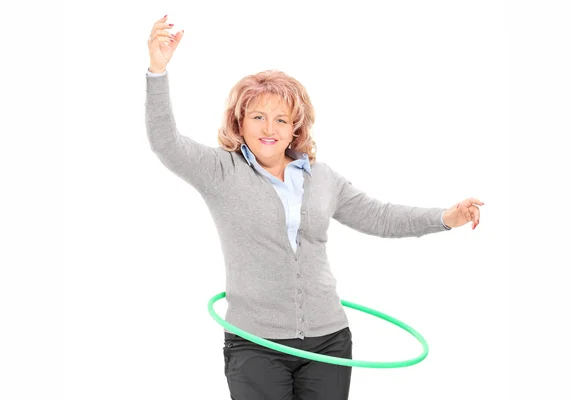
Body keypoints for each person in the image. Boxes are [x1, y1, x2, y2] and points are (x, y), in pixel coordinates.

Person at [145, 15, 483, 400]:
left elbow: (380, 216)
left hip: (329, 342)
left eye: (280, 119)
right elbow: (165, 143)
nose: (268, 128)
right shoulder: (221, 171)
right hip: (255, 344)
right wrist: (158, 71)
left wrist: (446, 218)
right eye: (257, 116)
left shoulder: (322, 178)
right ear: (240, 123)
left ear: (295, 128)